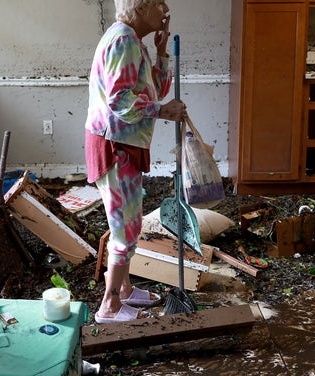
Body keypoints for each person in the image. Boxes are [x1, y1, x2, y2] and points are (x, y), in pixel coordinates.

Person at [85, 0, 186, 324]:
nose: (165, 8)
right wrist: (161, 111)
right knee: (125, 229)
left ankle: (124, 290)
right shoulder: (123, 41)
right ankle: (110, 307)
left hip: (124, 142)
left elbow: (155, 89)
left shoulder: (133, 41)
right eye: (157, 2)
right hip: (116, 145)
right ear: (140, 8)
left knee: (128, 222)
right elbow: (119, 101)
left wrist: (162, 54)